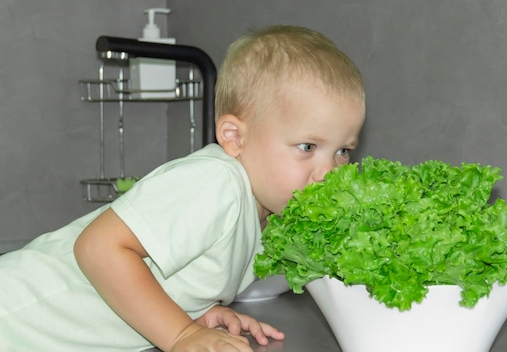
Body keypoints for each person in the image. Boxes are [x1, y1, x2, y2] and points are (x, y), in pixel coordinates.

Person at [0, 25, 366, 352]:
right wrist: (180, 334)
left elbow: (167, 269)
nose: (329, 172)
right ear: (235, 137)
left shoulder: (260, 215)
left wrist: (198, 312)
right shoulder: (216, 183)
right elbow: (98, 248)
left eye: (343, 151)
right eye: (307, 147)